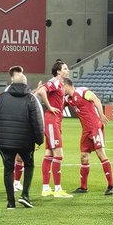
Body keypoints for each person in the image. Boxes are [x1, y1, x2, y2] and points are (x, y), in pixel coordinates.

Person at [0, 69, 43, 209]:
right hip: (26, 142)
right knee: (29, 165)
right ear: (26, 83)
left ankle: (10, 202)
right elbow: (37, 121)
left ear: (13, 82)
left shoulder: (1, 98)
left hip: (5, 142)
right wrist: (39, 140)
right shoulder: (31, 98)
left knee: (8, 169)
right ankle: (25, 195)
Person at [63, 77, 113, 195]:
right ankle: (83, 187)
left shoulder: (82, 91)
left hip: (95, 127)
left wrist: (101, 115)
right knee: (84, 156)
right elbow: (58, 106)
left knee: (100, 153)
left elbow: (96, 99)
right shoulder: (67, 98)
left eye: (62, 87)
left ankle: (111, 185)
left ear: (67, 85)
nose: (61, 89)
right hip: (86, 130)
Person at [35, 59, 72, 197]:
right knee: (59, 154)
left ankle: (46, 189)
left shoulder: (61, 84)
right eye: (65, 69)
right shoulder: (55, 81)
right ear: (58, 71)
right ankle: (57, 189)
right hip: (51, 120)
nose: (67, 70)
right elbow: (41, 91)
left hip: (55, 121)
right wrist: (49, 107)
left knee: (49, 154)